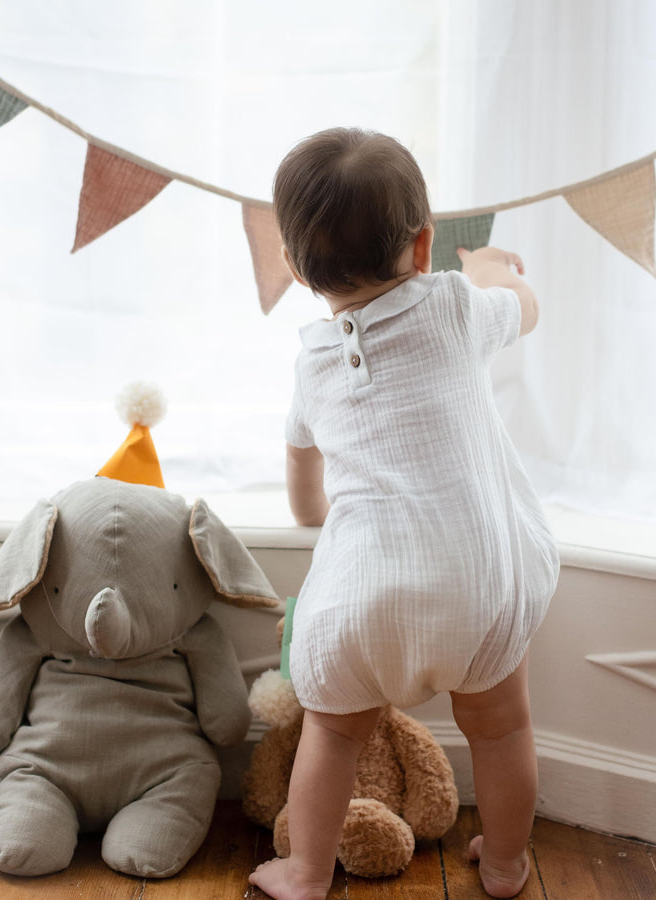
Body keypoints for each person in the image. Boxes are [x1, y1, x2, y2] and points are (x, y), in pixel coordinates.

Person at [249, 127, 559, 900]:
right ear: (424, 246)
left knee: (332, 733)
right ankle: (506, 864)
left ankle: (306, 871)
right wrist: (489, 267)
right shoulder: (453, 306)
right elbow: (525, 307)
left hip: (363, 598)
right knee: (503, 727)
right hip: (478, 587)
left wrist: (311, 514)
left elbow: (302, 472)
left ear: (294, 268)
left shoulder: (314, 364)